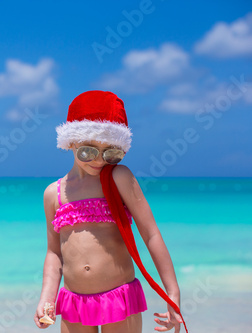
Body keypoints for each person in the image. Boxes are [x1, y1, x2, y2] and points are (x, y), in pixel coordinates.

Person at [33, 91, 185, 333]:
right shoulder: (54, 194)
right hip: (74, 301)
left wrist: (173, 292)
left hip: (119, 297)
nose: (99, 161)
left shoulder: (118, 177)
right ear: (71, 142)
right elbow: (54, 253)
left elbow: (150, 233)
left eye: (110, 153)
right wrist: (47, 298)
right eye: (88, 151)